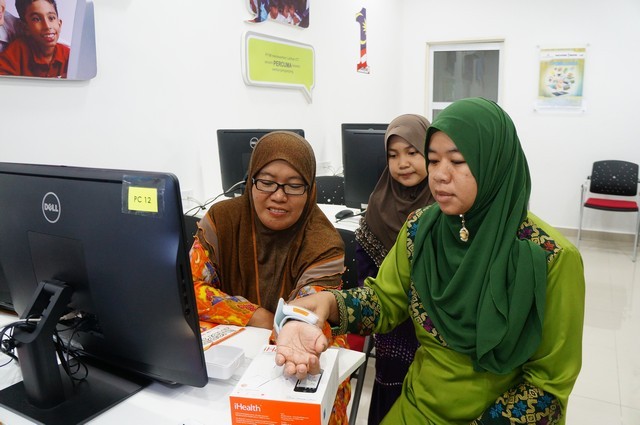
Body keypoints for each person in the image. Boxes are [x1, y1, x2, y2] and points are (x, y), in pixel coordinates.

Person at [274, 98, 585, 424]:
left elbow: (547, 384)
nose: (440, 175)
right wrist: (329, 304)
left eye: (458, 161)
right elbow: (383, 300)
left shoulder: (551, 258)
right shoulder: (421, 228)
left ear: (495, 163)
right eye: (433, 160)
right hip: (418, 407)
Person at [190, 131, 351, 424]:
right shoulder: (221, 220)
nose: (278, 195)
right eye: (266, 182)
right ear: (250, 181)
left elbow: (308, 316)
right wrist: (256, 315)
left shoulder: (323, 243)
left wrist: (282, 323)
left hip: (305, 350)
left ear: (310, 189)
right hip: (233, 347)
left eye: (294, 185)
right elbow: (189, 288)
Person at [354, 114, 435, 424]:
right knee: (392, 390)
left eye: (412, 152)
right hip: (391, 322)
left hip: (436, 322)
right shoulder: (378, 203)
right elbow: (365, 268)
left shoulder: (446, 205)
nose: (403, 163)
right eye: (393, 155)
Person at [0, 0, 69, 78]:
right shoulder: (17, 51)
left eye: (51, 18)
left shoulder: (69, 55)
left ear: (59, 24)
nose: (47, 26)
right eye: (36, 19)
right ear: (25, 28)